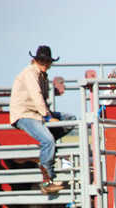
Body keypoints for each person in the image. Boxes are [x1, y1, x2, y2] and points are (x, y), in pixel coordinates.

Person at [9, 45, 76, 195]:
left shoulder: (41, 75)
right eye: (42, 61)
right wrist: (48, 117)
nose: (45, 64)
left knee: (70, 118)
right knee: (48, 140)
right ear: (35, 60)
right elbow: (36, 94)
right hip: (25, 114)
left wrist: (46, 116)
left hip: (36, 114)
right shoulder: (30, 73)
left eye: (47, 61)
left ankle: (47, 147)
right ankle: (47, 181)